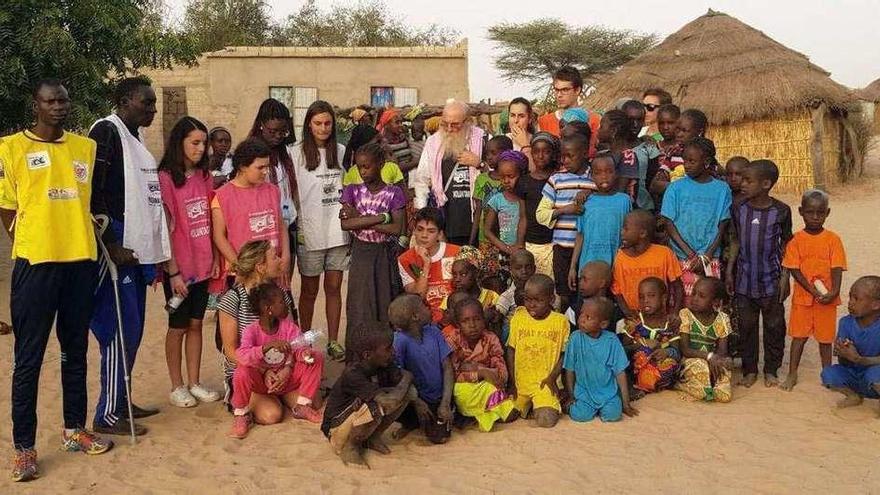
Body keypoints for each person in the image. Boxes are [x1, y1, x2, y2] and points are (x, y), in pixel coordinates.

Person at [1, 79, 112, 482]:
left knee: (75, 352)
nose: (58, 107)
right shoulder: (10, 148)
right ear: (36, 105)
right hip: (36, 265)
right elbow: (7, 209)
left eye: (63, 100)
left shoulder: (85, 147)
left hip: (79, 262)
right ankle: (24, 449)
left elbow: (92, 202)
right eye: (50, 101)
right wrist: (34, 241)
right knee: (28, 360)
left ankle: (74, 430)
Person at [89, 76, 170, 436]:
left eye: (154, 103)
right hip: (116, 242)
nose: (153, 109)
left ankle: (121, 400)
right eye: (146, 102)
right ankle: (105, 413)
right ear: (123, 101)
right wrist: (109, 241)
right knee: (119, 328)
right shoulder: (105, 132)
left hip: (137, 246)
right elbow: (93, 190)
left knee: (134, 328)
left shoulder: (134, 137)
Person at [157, 117, 221, 407]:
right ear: (179, 142)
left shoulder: (205, 177)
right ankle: (176, 385)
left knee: (196, 324)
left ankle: (194, 382)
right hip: (180, 269)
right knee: (178, 326)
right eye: (194, 142)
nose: (200, 148)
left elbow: (212, 218)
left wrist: (217, 258)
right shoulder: (166, 178)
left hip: (204, 264)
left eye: (203, 142)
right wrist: (173, 272)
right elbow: (165, 228)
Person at [292, 100, 350, 359]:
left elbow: (349, 187)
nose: (323, 128)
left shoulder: (341, 150)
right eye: (318, 123)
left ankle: (334, 340)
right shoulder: (296, 154)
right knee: (309, 290)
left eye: (328, 123)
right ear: (308, 125)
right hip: (310, 232)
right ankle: (305, 341)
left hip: (337, 232)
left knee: (334, 287)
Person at [727, 160, 792, 388]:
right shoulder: (739, 208)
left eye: (748, 180)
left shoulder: (781, 211)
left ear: (766, 184)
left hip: (771, 281)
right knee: (746, 327)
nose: (742, 184)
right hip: (744, 281)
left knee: (775, 327)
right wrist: (729, 271)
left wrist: (785, 276)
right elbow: (735, 239)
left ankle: (771, 370)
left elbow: (787, 245)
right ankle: (749, 370)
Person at [228, 282, 324, 438]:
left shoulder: (289, 327)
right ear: (268, 309)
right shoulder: (251, 331)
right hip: (262, 383)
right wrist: (265, 348)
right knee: (242, 371)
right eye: (281, 302)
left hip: (287, 380)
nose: (285, 305)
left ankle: (303, 406)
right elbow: (243, 356)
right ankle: (241, 414)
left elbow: (298, 349)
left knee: (316, 357)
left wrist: (305, 355)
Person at [217, 241, 297, 416]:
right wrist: (264, 370)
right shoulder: (232, 299)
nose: (280, 260)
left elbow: (292, 337)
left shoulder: (280, 294)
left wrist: (286, 369)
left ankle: (278, 391)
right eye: (274, 257)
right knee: (271, 415)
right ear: (260, 267)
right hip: (250, 370)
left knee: (310, 402)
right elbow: (231, 351)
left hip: (281, 366)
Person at [781, 189, 847, 391]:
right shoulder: (796, 240)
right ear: (801, 212)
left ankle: (828, 374)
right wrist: (811, 289)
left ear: (828, 213)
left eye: (821, 213)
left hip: (827, 299)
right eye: (810, 212)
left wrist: (834, 291)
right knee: (799, 338)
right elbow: (793, 269)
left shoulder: (833, 239)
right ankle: (792, 374)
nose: (815, 217)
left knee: (825, 340)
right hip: (803, 299)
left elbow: (837, 266)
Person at [322, 322, 414, 468]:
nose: (393, 351)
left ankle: (372, 438)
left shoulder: (383, 363)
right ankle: (350, 447)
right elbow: (390, 398)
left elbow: (405, 377)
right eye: (388, 348)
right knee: (378, 404)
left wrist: (405, 384)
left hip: (355, 418)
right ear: (367, 355)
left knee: (409, 392)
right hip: (337, 429)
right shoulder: (352, 374)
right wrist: (403, 384)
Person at [339, 141, 406, 334]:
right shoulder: (352, 191)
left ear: (381, 164)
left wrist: (363, 220)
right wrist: (381, 218)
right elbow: (345, 224)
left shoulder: (394, 193)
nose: (362, 172)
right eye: (359, 167)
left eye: (367, 166)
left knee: (383, 299)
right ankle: (359, 353)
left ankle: (384, 351)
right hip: (361, 253)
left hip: (383, 254)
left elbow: (396, 228)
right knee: (359, 303)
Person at [212, 139, 289, 290]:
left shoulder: (272, 190)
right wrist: (241, 267)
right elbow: (219, 236)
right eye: (260, 167)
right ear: (242, 166)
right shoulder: (222, 196)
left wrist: (285, 256)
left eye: (267, 166)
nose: (266, 172)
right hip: (242, 275)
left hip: (272, 269)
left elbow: (280, 225)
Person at [661, 137, 731, 302]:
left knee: (708, 305)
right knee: (682, 304)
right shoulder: (675, 188)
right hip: (681, 258)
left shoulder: (722, 189)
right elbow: (668, 223)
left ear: (706, 161)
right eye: (685, 160)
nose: (686, 164)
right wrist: (691, 254)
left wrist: (707, 255)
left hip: (710, 258)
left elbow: (722, 224)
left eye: (692, 161)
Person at [536, 133, 595, 311]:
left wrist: (591, 194)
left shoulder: (595, 178)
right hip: (561, 248)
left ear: (585, 153)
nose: (565, 160)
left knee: (586, 292)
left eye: (570, 156)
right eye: (562, 156)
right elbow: (540, 214)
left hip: (587, 248)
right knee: (564, 293)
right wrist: (564, 210)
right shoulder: (556, 179)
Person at [413, 100, 485, 246]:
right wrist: (423, 217)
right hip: (446, 221)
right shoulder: (433, 142)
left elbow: (498, 173)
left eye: (455, 124)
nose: (449, 129)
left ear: (468, 122)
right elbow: (422, 180)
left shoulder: (482, 139)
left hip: (478, 221)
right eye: (445, 124)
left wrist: (479, 163)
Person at [389, 294, 454, 444]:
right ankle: (409, 424)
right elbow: (397, 376)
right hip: (416, 399)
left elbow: (448, 368)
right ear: (415, 316)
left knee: (440, 436)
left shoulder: (435, 332)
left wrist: (445, 401)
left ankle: (432, 417)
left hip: (439, 397)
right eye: (424, 305)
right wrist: (416, 401)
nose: (429, 307)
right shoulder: (399, 341)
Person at [506, 274, 569, 427]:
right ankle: (528, 405)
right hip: (521, 384)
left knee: (546, 421)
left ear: (551, 300)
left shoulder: (560, 321)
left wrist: (553, 378)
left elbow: (565, 354)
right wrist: (512, 382)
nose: (532, 305)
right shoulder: (518, 318)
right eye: (528, 299)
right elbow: (510, 350)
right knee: (504, 417)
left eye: (538, 300)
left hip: (545, 383)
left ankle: (540, 404)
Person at [445, 298, 517, 431]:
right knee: (458, 389)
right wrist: (480, 373)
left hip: (487, 385)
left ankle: (480, 415)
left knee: (508, 412)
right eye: (465, 321)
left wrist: (480, 370)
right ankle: (486, 413)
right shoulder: (452, 340)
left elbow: (500, 371)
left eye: (477, 319)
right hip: (464, 389)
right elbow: (452, 375)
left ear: (484, 320)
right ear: (458, 325)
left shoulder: (491, 339)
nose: (472, 325)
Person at [563, 297, 638, 422]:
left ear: (603, 324)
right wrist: (571, 396)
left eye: (588, 317)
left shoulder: (612, 340)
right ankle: (574, 407)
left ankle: (609, 407)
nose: (581, 319)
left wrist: (626, 403)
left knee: (613, 415)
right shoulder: (575, 338)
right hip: (584, 392)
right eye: (581, 314)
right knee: (580, 415)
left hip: (607, 393)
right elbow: (569, 369)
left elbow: (620, 373)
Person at [247, 99, 298, 270]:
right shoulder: (250, 156)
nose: (277, 136)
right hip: (261, 232)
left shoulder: (285, 154)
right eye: (273, 131)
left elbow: (290, 190)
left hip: (285, 227)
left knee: (283, 285)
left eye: (282, 132)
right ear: (261, 125)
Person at [568, 153, 631, 286]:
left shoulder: (624, 200)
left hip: (616, 267)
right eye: (598, 172)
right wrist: (573, 267)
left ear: (616, 173)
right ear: (591, 176)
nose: (604, 176)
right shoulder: (586, 201)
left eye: (609, 171)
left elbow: (629, 233)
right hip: (588, 268)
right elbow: (580, 235)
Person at [820, 276, 880, 412]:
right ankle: (853, 396)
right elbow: (843, 362)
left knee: (875, 375)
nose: (850, 303)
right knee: (828, 373)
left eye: (857, 299)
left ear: (876, 305)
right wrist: (843, 353)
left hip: (873, 376)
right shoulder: (845, 323)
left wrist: (860, 359)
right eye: (850, 297)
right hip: (855, 375)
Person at [612, 210, 684, 319]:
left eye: (626, 229)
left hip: (660, 317)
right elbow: (617, 291)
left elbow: (678, 286)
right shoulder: (620, 257)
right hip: (634, 318)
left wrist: (675, 312)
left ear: (642, 233)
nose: (622, 232)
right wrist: (627, 312)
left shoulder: (664, 253)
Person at [398, 207, 461, 323]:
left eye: (431, 231)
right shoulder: (404, 260)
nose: (424, 235)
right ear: (414, 231)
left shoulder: (456, 253)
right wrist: (426, 265)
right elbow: (418, 297)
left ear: (439, 234)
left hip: (455, 317)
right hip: (425, 320)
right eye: (420, 229)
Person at [676, 277, 733, 403]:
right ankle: (684, 384)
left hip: (711, 360)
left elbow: (722, 351)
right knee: (701, 367)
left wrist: (720, 361)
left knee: (725, 394)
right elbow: (685, 350)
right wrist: (709, 357)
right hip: (690, 361)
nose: (695, 299)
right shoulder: (685, 314)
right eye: (693, 293)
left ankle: (710, 386)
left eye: (701, 296)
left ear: (715, 301)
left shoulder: (722, 319)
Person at [620, 278, 681, 393]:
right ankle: (641, 384)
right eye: (641, 297)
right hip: (637, 369)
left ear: (663, 298)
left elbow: (677, 352)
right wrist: (641, 345)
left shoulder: (670, 324)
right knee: (642, 354)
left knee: (671, 364)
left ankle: (651, 383)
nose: (645, 301)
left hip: (659, 368)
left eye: (651, 296)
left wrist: (666, 352)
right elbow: (622, 351)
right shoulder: (635, 322)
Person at [596, 108, 655, 209]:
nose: (598, 129)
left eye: (601, 126)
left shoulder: (628, 157)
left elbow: (620, 190)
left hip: (624, 209)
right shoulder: (604, 155)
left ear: (613, 131)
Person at [517, 133, 557, 277]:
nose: (540, 156)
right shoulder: (524, 181)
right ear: (531, 154)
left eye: (546, 152)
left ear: (553, 154)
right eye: (536, 151)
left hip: (553, 243)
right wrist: (520, 245)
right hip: (531, 244)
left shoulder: (558, 179)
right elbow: (523, 216)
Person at [482, 150, 527, 281]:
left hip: (525, 251)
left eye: (511, 176)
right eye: (502, 177)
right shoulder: (497, 200)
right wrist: (506, 248)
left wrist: (519, 247)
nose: (506, 181)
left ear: (522, 174)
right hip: (505, 254)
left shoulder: (526, 198)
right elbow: (487, 231)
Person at [538, 66, 601, 156]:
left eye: (565, 90)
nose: (559, 95)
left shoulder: (595, 120)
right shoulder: (544, 122)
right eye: (556, 90)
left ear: (577, 90)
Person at [472, 135, 513, 247]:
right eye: (487, 154)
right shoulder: (482, 179)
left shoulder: (512, 180)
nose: (489, 157)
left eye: (494, 153)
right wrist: (472, 241)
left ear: (507, 153)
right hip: (485, 240)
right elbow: (478, 211)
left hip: (508, 239)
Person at [496, 249, 536, 342]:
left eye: (528, 267)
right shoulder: (507, 296)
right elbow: (498, 319)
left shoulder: (541, 292)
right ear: (511, 270)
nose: (524, 271)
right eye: (518, 268)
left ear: (534, 269)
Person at [565, 261, 615, 333]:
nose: (580, 283)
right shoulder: (573, 311)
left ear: (601, 283)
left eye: (585, 280)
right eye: (580, 279)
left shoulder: (615, 312)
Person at [648, 104, 684, 201]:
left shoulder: (685, 148)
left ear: (679, 123)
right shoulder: (653, 147)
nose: (665, 127)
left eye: (670, 123)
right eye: (661, 123)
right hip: (657, 200)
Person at [378, 109, 418, 179]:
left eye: (401, 122)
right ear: (386, 125)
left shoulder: (403, 139)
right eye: (397, 123)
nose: (401, 125)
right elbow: (396, 168)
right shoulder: (383, 145)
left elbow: (410, 158)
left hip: (408, 181)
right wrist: (418, 161)